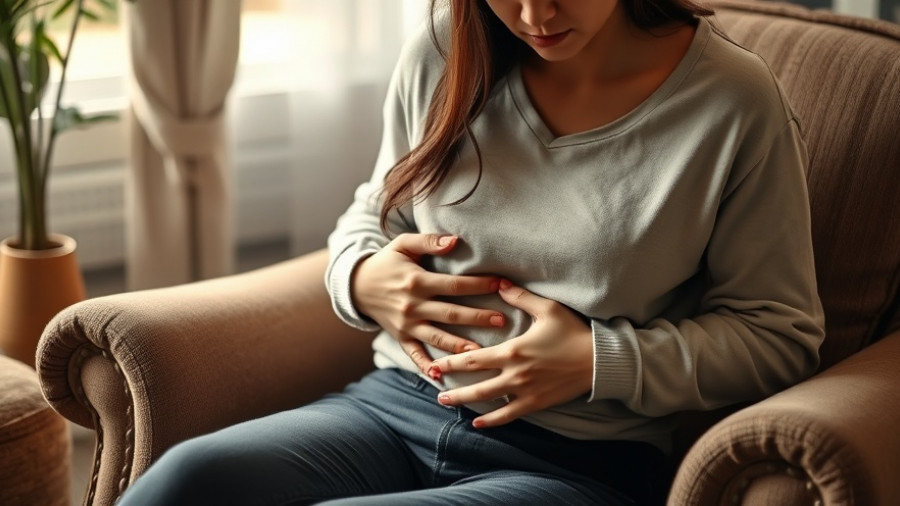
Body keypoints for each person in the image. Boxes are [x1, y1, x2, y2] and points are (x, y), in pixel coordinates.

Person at [119, 0, 825, 504]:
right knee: (187, 480)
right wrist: (361, 278)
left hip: (576, 463)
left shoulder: (732, 104)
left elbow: (780, 337)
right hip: (392, 407)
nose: (534, 15)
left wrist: (594, 360)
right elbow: (374, 213)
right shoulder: (444, 47)